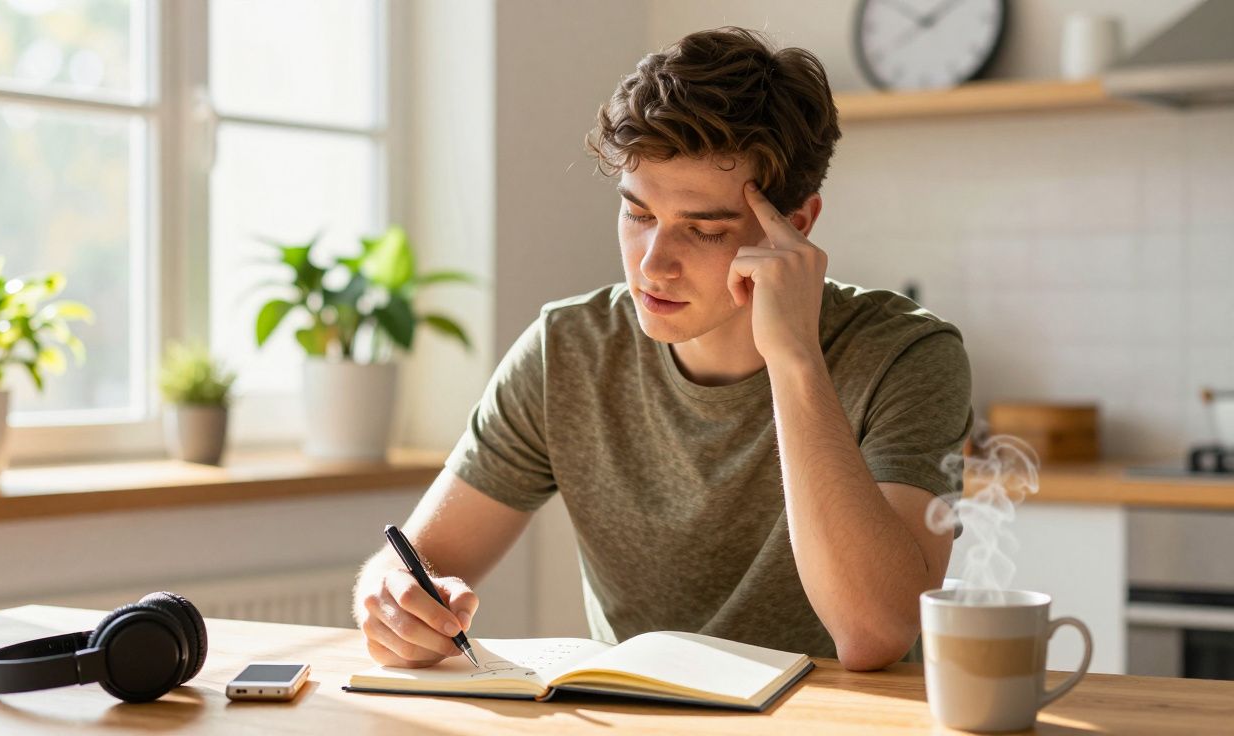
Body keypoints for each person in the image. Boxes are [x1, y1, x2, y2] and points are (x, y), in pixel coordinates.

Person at [352, 26, 972, 672]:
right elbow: (413, 562)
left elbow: (876, 632)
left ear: (797, 225)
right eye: (639, 215)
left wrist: (794, 358)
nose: (654, 264)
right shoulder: (566, 353)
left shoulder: (907, 356)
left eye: (702, 230)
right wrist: (391, 601)